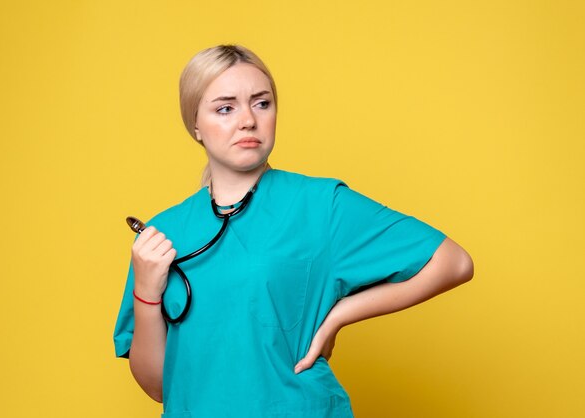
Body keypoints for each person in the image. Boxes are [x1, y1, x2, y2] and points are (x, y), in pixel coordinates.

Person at [113, 44, 474, 418]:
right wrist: (146, 289)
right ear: (195, 125)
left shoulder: (320, 205)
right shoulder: (162, 235)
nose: (248, 120)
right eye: (225, 108)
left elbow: (454, 262)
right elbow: (160, 387)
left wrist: (339, 313)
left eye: (262, 103)